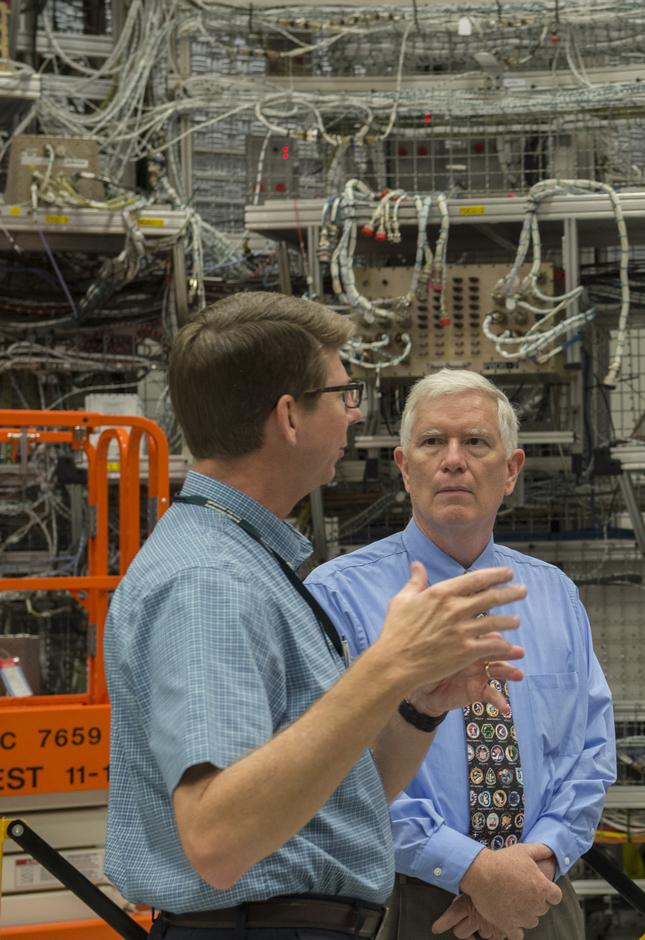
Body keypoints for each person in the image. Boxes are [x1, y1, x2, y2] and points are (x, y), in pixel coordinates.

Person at [105, 293, 528, 940]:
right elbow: (218, 838)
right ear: (289, 418)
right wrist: (386, 668)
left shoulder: (248, 564)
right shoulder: (209, 582)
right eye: (341, 394)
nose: (353, 416)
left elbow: (329, 805)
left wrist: (417, 703)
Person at [306, 369, 616, 940]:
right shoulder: (337, 596)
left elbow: (591, 754)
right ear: (404, 467)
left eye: (475, 442)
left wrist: (537, 861)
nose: (454, 460)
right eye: (432, 442)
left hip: (539, 898)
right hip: (403, 897)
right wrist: (473, 870)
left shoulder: (554, 595)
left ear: (511, 470)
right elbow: (330, 767)